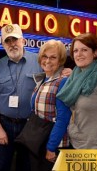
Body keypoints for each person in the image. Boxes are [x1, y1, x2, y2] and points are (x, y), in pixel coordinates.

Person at [57, 32, 97, 165]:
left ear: (95, 53)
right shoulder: (75, 77)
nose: (79, 54)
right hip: (77, 146)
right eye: (75, 50)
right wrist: (72, 129)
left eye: (84, 50)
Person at [0, 24, 43, 171]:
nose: (12, 44)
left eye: (15, 40)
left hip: (30, 125)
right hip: (5, 125)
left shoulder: (39, 62)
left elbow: (54, 78)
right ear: (3, 44)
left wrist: (66, 71)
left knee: (26, 167)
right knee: (0, 167)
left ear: (23, 41)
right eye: (8, 41)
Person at [29, 39, 72, 170]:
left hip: (54, 144)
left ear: (60, 61)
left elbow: (63, 118)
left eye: (53, 57)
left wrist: (51, 147)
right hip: (40, 141)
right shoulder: (42, 79)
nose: (47, 61)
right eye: (45, 56)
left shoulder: (63, 82)